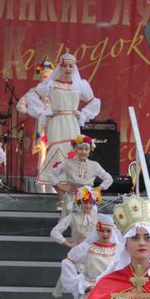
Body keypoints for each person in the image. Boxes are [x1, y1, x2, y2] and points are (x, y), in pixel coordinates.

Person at [31, 54, 101, 199]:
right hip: (56, 122)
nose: (68, 68)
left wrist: (83, 114)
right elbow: (33, 97)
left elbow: (94, 102)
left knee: (71, 153)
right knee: (56, 151)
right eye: (65, 65)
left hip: (72, 122)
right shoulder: (52, 84)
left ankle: (69, 193)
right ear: (60, 67)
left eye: (71, 66)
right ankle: (55, 189)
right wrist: (47, 112)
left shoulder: (79, 86)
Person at [58, 214, 120, 299]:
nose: (105, 234)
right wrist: (81, 283)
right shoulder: (88, 248)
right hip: (92, 291)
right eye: (102, 231)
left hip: (112, 292)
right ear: (97, 231)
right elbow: (67, 261)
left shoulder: (118, 250)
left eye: (108, 231)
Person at [47, 135, 113, 217]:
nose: (84, 152)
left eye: (86, 149)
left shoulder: (94, 165)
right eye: (80, 149)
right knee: (69, 222)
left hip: (88, 200)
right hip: (71, 199)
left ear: (90, 150)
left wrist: (97, 189)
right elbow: (50, 174)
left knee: (88, 223)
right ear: (76, 149)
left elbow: (109, 179)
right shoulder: (68, 163)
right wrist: (60, 185)